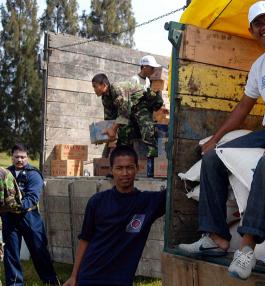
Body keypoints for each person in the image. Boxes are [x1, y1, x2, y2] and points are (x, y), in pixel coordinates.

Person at [178, 1, 265, 280]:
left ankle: (248, 249)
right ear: (251, 30)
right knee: (214, 158)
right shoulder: (259, 65)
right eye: (258, 23)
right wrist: (215, 140)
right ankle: (216, 238)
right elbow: (242, 108)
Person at [63, 145, 166, 286]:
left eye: (129, 167)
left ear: (138, 168)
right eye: (119, 168)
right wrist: (74, 275)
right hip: (90, 276)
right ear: (111, 170)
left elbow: (178, 187)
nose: (125, 173)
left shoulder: (148, 202)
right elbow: (85, 239)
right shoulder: (97, 201)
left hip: (121, 279)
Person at [1, 144, 59, 285]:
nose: (19, 160)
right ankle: (14, 283)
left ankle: (50, 280)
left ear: (27, 157)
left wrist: (17, 206)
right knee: (11, 252)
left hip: (29, 217)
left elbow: (33, 197)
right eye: (16, 157)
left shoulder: (34, 174)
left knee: (39, 250)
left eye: (22, 157)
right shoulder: (5, 174)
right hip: (9, 217)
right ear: (12, 157)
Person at [92, 55, 164, 158]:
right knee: (124, 132)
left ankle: (152, 148)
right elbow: (110, 119)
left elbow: (124, 112)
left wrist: (113, 129)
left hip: (142, 101)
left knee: (144, 121)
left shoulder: (116, 89)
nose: (94, 89)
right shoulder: (105, 98)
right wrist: (103, 136)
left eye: (95, 86)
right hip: (132, 106)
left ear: (104, 85)